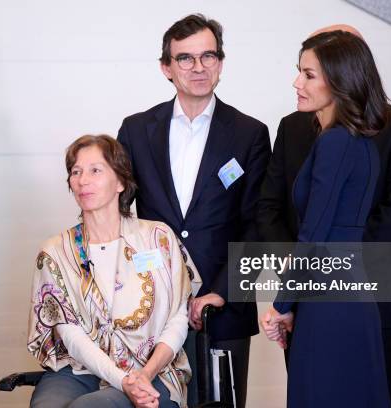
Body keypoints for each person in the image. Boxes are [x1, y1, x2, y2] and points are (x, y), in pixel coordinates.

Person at [257, 25, 391, 408]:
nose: (296, 81)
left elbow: (314, 237)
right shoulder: (358, 139)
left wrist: (281, 305)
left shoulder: (335, 141)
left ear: (339, 79)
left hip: (328, 299)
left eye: (308, 74)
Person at [117, 14, 270, 407]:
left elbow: (257, 224)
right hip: (150, 310)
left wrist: (222, 290)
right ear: (166, 67)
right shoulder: (135, 130)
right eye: (185, 58)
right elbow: (119, 219)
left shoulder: (250, 133)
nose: (198, 67)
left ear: (221, 61)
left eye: (208, 56)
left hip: (223, 309)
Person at [28, 135, 201, 408]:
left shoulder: (158, 237)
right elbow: (71, 337)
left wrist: (144, 375)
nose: (83, 180)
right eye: (76, 172)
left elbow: (178, 318)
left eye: (95, 170)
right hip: (80, 369)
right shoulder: (55, 252)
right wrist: (123, 381)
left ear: (121, 182)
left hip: (154, 369)